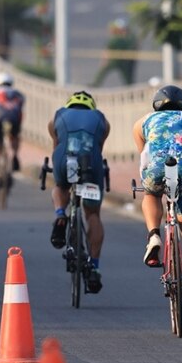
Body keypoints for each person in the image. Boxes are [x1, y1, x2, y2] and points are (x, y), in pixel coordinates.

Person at [132, 84, 182, 321]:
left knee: (151, 195)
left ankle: (154, 235)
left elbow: (143, 150)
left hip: (156, 165)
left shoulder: (144, 121)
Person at [48, 90, 111, 294]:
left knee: (60, 186)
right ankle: (94, 266)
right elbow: (98, 148)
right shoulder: (102, 120)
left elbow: (56, 147)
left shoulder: (57, 117)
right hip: (91, 165)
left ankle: (60, 214)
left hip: (65, 162)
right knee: (92, 214)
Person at [0, 72, 25, 201]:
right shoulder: (18, 95)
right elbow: (20, 113)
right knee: (15, 136)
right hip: (14, 120)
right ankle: (14, 154)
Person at [91, 19, 138, 87]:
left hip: (125, 61)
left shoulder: (130, 37)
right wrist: (104, 60)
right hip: (114, 60)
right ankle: (95, 84)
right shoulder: (115, 38)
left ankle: (130, 87)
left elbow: (135, 46)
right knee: (103, 71)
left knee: (128, 77)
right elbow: (107, 49)